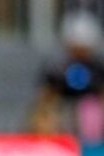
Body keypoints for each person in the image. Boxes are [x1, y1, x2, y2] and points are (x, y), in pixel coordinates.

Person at [30, 9, 104, 143]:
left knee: (91, 112)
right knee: (46, 116)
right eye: (76, 48)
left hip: (90, 114)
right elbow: (46, 98)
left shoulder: (98, 69)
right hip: (63, 111)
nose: (80, 54)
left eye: (83, 49)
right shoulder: (57, 68)